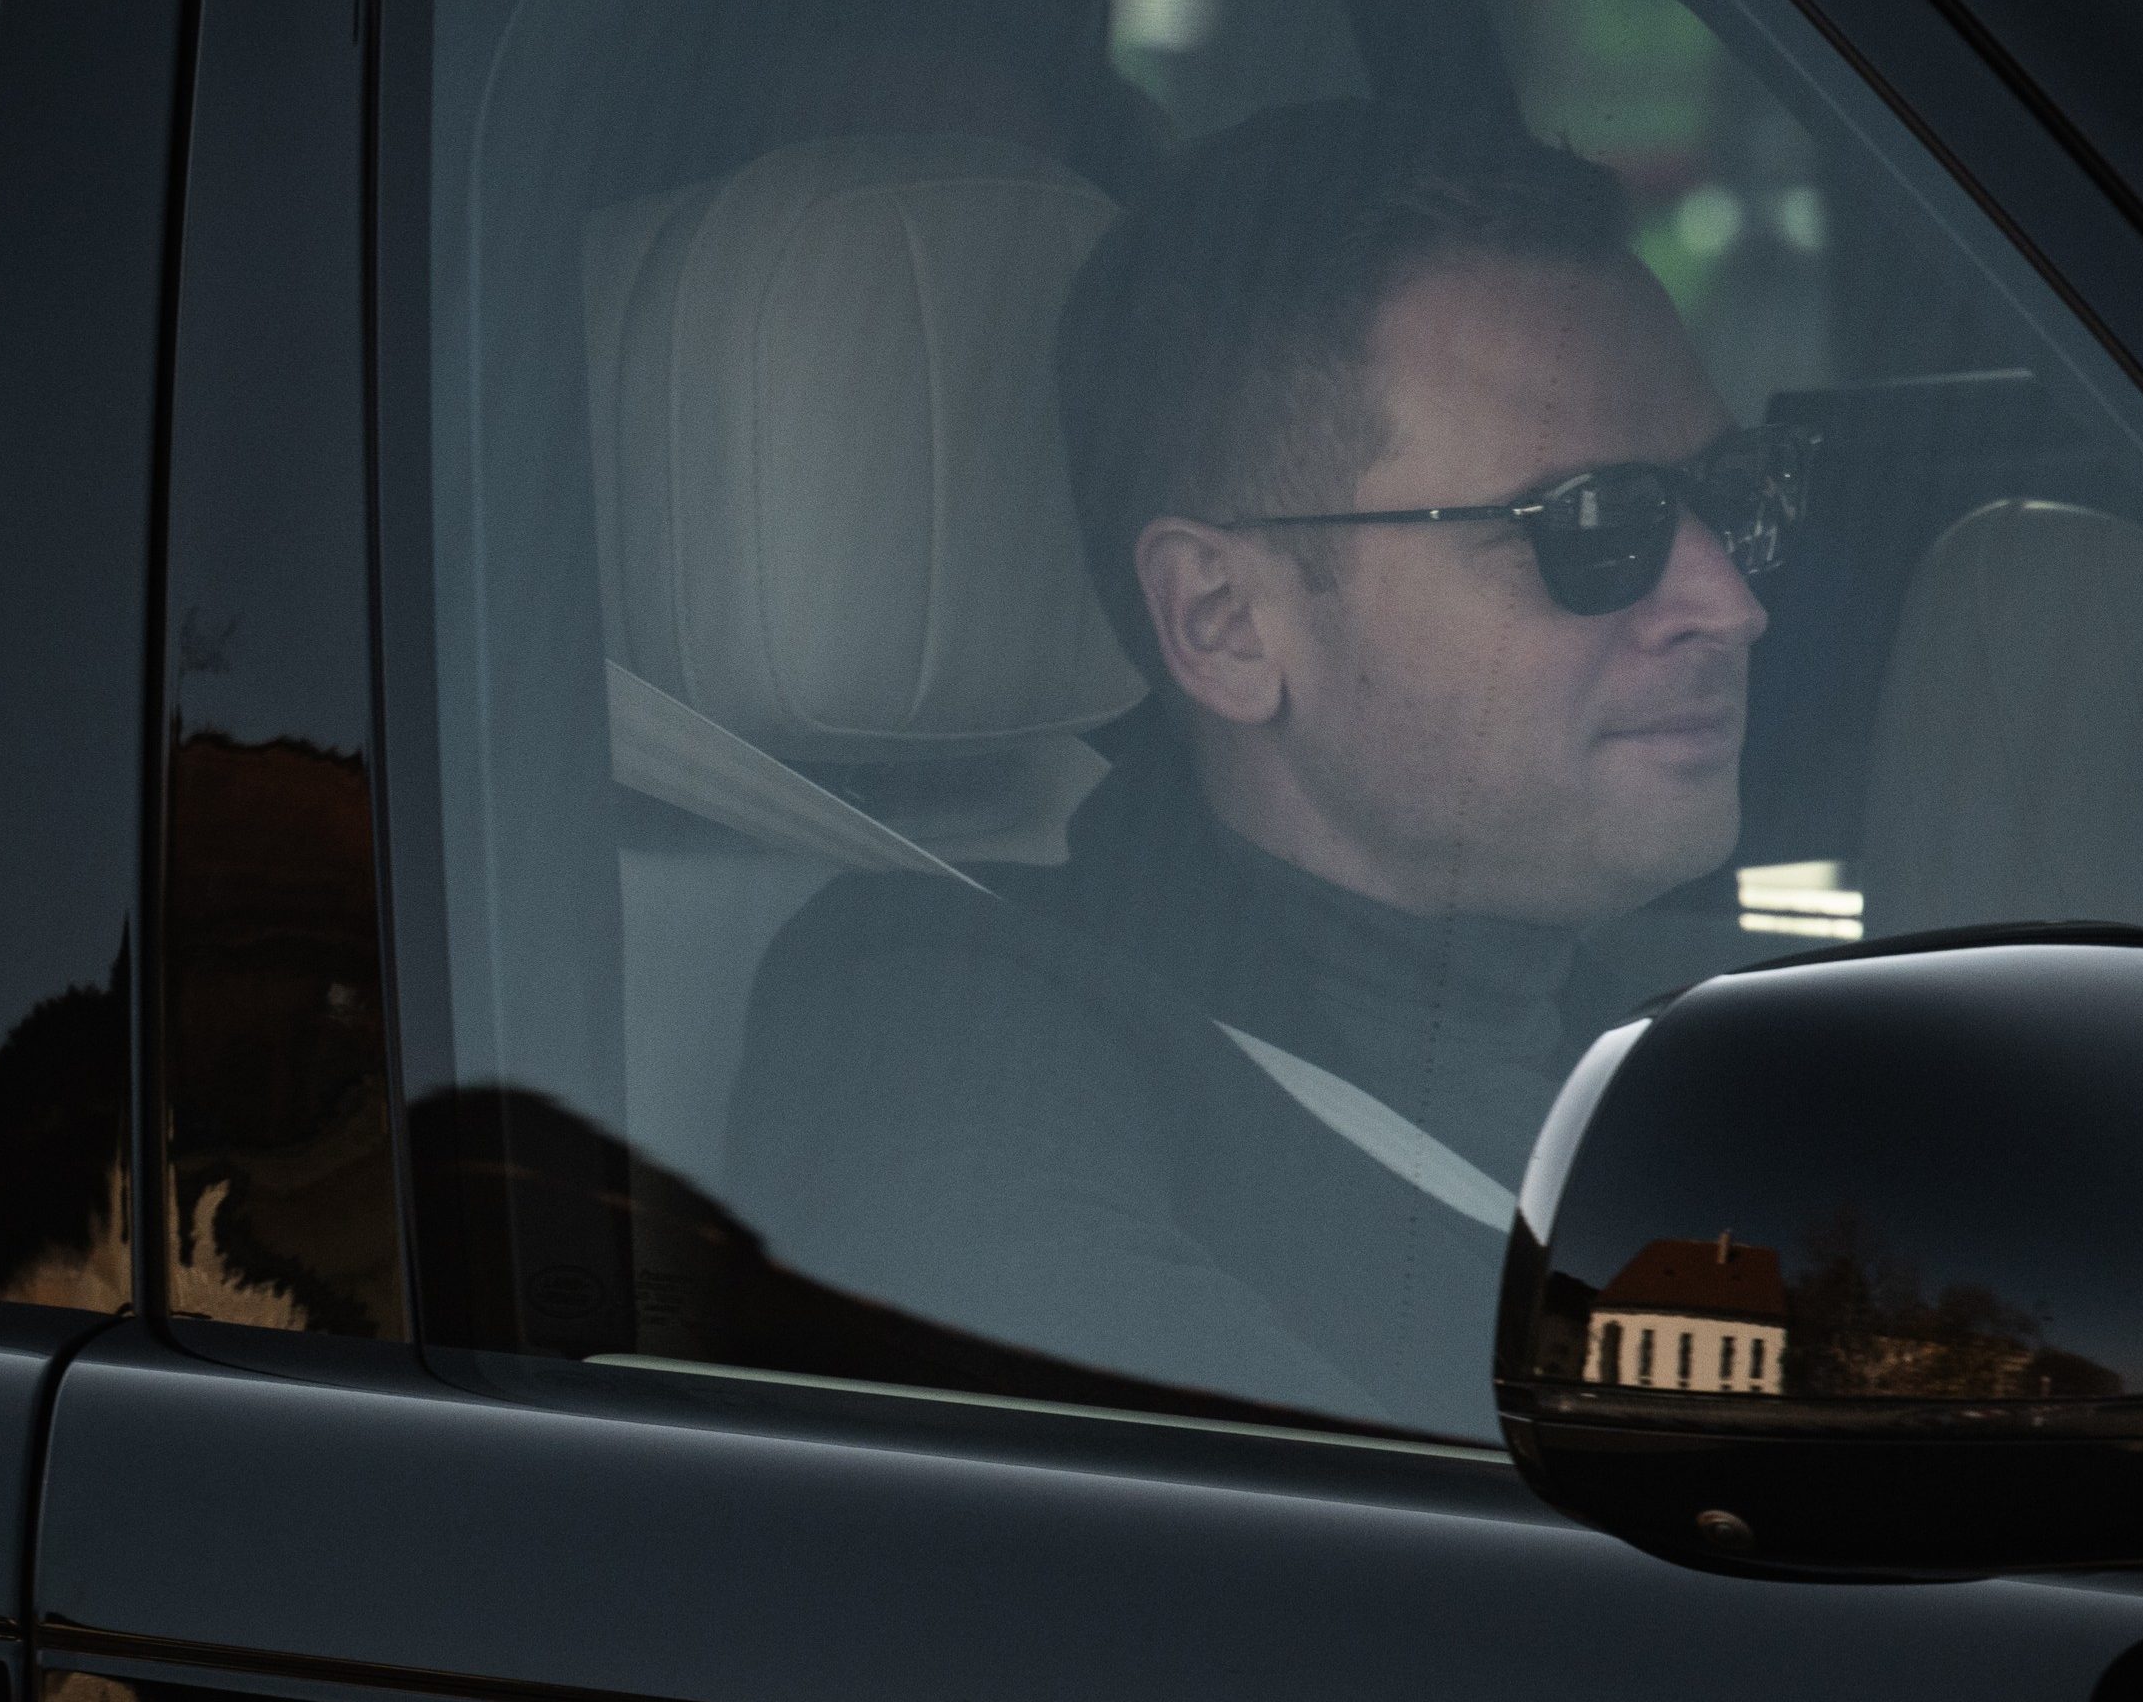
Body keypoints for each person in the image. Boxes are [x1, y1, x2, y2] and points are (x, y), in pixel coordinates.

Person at [725, 101, 1802, 1437]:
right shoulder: (944, 1035)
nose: (1728, 603)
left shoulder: (1730, 1043)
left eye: (1729, 496)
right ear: (1226, 623)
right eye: (1591, 525)